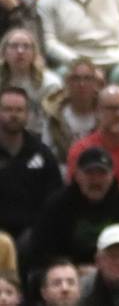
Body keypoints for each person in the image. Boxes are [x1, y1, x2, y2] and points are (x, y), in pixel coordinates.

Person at [29, 147, 119, 273]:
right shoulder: (57, 205)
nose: (96, 180)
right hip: (68, 273)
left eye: (102, 173)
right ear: (77, 175)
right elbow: (42, 252)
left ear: (112, 176)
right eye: (89, 173)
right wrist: (74, 269)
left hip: (117, 272)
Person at [0, 86, 62, 244]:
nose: (13, 115)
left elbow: (54, 201)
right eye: (7, 109)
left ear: (28, 115)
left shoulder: (42, 154)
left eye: (19, 110)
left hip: (32, 234)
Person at [0, 27, 61, 136]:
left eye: (26, 47)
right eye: (14, 46)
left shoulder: (50, 83)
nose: (20, 51)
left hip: (37, 137)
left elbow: (52, 125)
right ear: (3, 52)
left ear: (34, 53)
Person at [41, 59, 102, 166]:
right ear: (67, 83)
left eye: (87, 79)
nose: (82, 84)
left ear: (95, 84)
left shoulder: (108, 111)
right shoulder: (53, 114)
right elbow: (46, 151)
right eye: (76, 79)